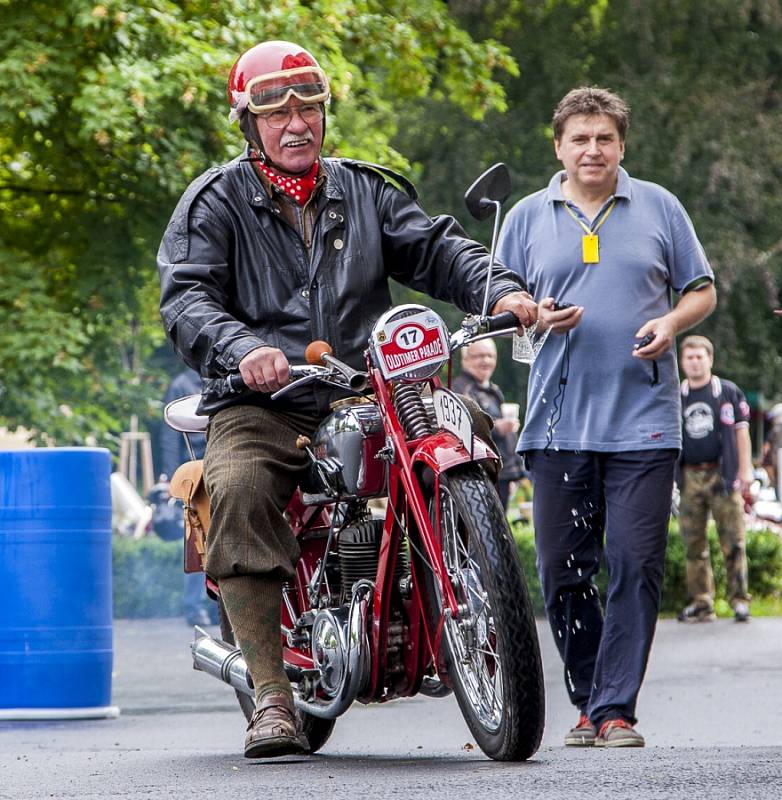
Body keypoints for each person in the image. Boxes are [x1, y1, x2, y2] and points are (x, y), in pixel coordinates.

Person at [157, 40, 537, 759]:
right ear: (248, 122)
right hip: (266, 397)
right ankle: (270, 696)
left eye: (308, 106)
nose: (296, 123)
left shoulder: (366, 190)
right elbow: (187, 297)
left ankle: (448, 594)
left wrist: (502, 288)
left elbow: (438, 248)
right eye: (276, 111)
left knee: (473, 426)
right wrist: (245, 350)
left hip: (369, 384)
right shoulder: (215, 201)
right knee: (236, 485)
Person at [497, 87, 716, 748]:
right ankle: (590, 693)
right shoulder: (528, 218)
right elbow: (502, 311)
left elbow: (701, 289)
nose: (593, 150)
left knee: (634, 561)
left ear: (622, 144)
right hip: (556, 424)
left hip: (645, 422)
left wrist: (672, 322)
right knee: (562, 570)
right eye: (580, 139)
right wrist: (531, 315)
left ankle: (615, 708)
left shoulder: (660, 207)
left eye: (605, 139)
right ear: (558, 145)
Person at [676, 336, 753, 623]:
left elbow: (741, 432)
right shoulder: (677, 395)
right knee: (693, 544)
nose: (695, 362)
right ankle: (701, 601)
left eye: (700, 357)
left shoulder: (727, 392)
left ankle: (739, 600)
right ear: (682, 362)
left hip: (723, 474)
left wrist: (745, 471)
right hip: (689, 475)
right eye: (689, 357)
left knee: (733, 541)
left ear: (710, 359)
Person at [158, 367, 214, 627]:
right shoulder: (181, 384)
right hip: (194, 474)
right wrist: (173, 479)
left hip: (217, 464)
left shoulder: (215, 379)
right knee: (197, 542)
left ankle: (213, 605)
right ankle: (194, 608)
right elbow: (170, 437)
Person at [452, 339, 524, 510]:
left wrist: (514, 472)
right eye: (479, 356)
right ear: (465, 360)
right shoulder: (460, 390)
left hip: (502, 473)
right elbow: (461, 433)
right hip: (478, 474)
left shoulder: (493, 390)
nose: (486, 361)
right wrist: (497, 428)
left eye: (490, 356)